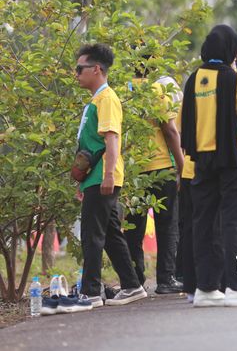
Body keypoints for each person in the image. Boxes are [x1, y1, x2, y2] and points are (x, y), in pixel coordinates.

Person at [180, 25, 237, 308]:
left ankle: (206, 289)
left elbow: (185, 123)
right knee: (236, 221)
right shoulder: (234, 79)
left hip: (201, 160)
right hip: (233, 159)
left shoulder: (194, 79)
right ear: (232, 51)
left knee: (204, 223)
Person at [74, 43, 147, 307]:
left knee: (92, 235)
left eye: (80, 69)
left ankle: (91, 292)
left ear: (96, 69)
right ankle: (132, 285)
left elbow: (112, 139)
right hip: (94, 177)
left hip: (103, 177)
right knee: (111, 235)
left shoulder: (107, 99)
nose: (76, 74)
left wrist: (107, 175)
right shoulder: (97, 100)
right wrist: (83, 181)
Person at [124, 58, 184, 294]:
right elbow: (169, 130)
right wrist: (181, 165)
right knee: (167, 226)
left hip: (133, 170)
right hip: (161, 167)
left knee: (134, 228)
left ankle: (135, 280)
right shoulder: (157, 89)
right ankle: (166, 279)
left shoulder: (124, 90)